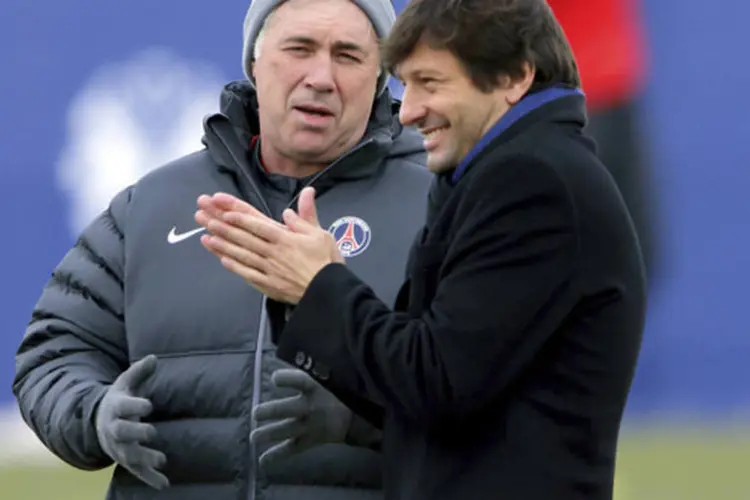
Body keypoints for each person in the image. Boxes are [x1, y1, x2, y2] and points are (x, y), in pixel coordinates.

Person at [194, 0, 648, 498]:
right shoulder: (495, 174)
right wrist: (310, 291)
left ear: (515, 77)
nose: (407, 112)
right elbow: (424, 382)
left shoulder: (532, 182)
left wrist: (320, 285)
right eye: (405, 84)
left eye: (430, 83)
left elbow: (436, 382)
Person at [12, 0, 433, 498]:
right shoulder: (151, 206)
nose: (321, 76)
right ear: (254, 62)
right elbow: (56, 349)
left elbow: (493, 389)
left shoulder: (440, 207)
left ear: (381, 77)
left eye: (348, 55)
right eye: (299, 49)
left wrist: (365, 414)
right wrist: (92, 412)